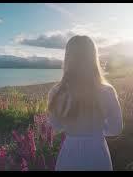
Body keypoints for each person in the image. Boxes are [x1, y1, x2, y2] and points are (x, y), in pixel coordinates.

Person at [47, 35, 123, 171]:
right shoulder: (107, 91)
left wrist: (73, 126)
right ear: (94, 58)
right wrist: (97, 128)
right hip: (98, 153)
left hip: (69, 153)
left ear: (68, 58)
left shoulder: (57, 92)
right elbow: (116, 128)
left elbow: (56, 126)